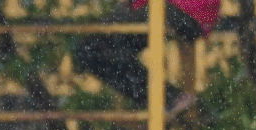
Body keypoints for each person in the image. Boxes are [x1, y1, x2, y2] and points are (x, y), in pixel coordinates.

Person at [72, 0, 221, 115]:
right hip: (169, 8)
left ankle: (166, 99)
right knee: (91, 48)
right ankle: (164, 101)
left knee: (94, 45)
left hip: (179, 8)